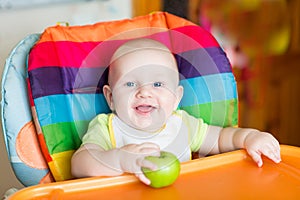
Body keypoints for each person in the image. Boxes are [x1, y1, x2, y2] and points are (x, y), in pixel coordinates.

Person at [71, 38, 281, 185]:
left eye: (158, 84)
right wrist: (119, 160)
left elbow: (220, 139)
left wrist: (249, 137)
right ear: (110, 98)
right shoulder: (107, 128)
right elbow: (79, 164)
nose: (144, 92)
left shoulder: (182, 125)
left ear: (176, 98)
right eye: (130, 84)